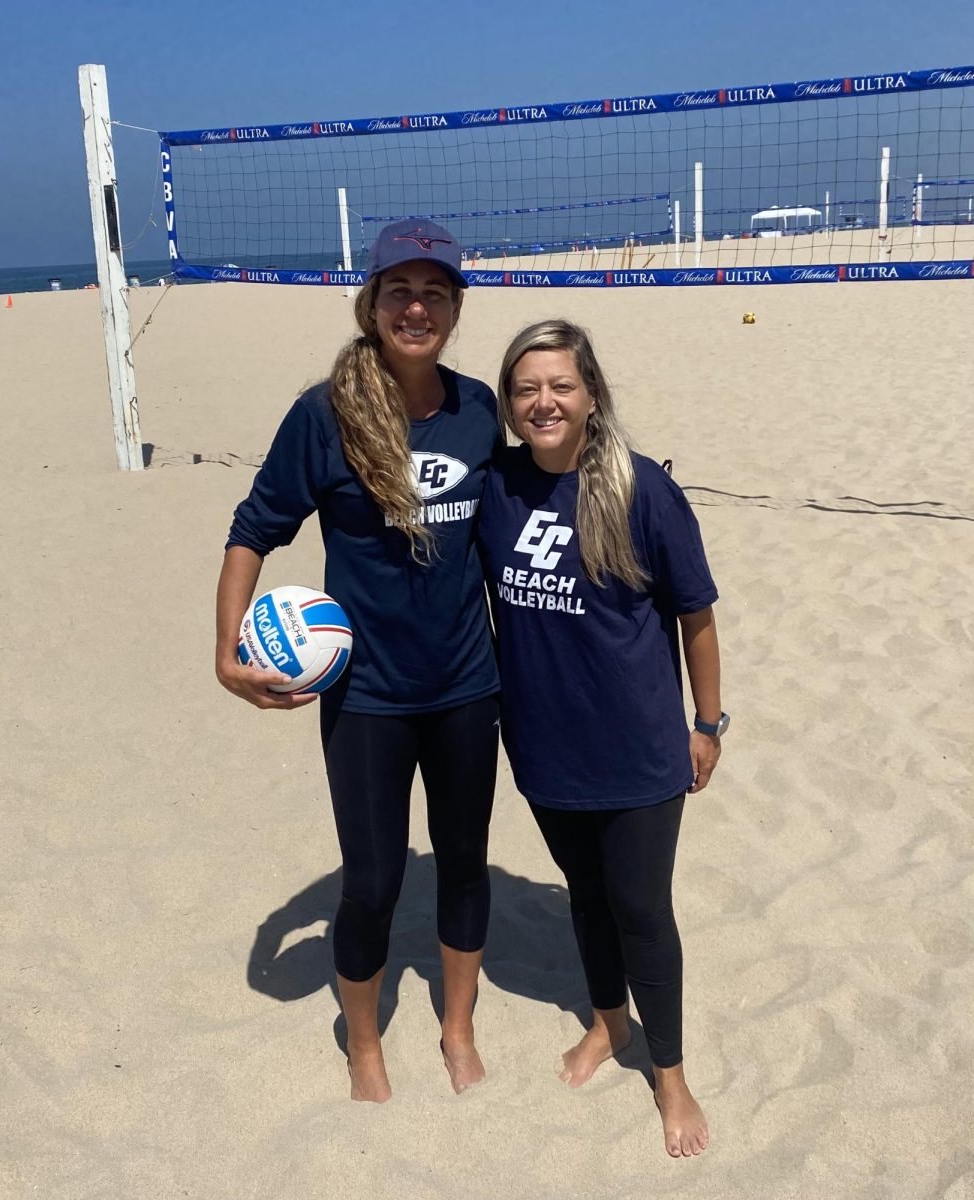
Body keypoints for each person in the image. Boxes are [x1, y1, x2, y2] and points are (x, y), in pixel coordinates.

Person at [215, 220, 502, 1103]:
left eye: (434, 293)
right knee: (372, 881)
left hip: (464, 687)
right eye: (398, 292)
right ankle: (366, 1043)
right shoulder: (322, 416)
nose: (416, 307)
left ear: (454, 309)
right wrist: (228, 655)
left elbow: (515, 535)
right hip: (368, 696)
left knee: (463, 864)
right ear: (370, 304)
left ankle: (456, 1026)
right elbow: (252, 531)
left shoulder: (478, 409)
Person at [477, 319, 725, 1157]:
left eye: (560, 386)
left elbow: (696, 615)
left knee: (642, 909)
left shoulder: (639, 487)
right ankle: (608, 1023)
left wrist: (706, 722)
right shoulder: (496, 485)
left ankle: (670, 1073)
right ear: (508, 404)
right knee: (586, 897)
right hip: (544, 748)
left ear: (590, 396)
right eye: (525, 388)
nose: (542, 401)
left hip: (638, 750)